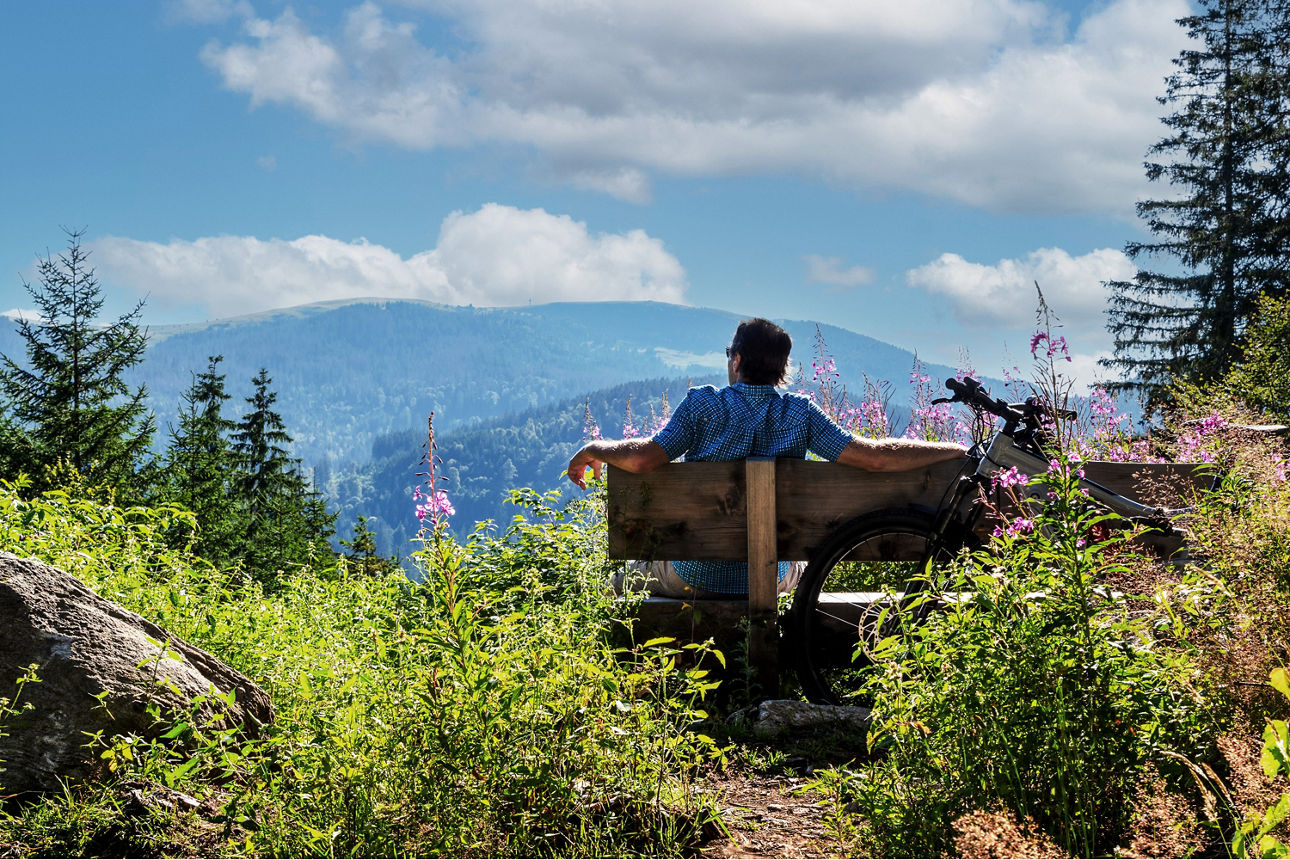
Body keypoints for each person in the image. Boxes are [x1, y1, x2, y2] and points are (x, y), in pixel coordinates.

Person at [566, 318, 967, 598]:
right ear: (781, 369)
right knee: (795, 566)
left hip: (693, 575)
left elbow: (642, 460)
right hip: (771, 578)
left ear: (737, 360)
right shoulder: (801, 414)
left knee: (610, 587)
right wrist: (956, 450)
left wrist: (594, 449)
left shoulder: (701, 406)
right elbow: (874, 458)